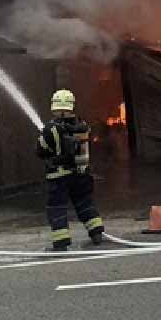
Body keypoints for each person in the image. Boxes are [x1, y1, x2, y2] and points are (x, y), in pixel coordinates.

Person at [36, 89, 104, 251]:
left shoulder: (50, 129)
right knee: (84, 203)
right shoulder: (82, 126)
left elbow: (40, 150)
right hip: (81, 174)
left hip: (58, 176)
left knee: (57, 207)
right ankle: (96, 232)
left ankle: (61, 242)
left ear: (54, 107)